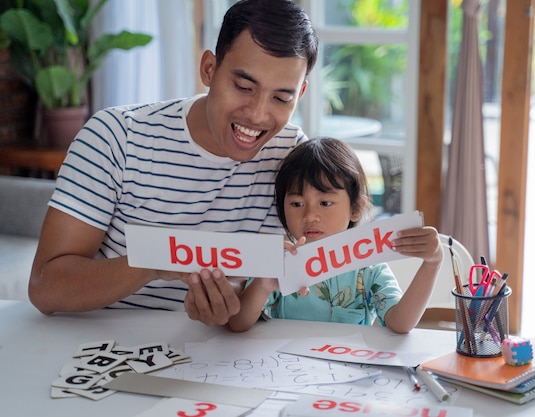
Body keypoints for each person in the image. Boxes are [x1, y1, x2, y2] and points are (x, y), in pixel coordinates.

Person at [28, 0, 319, 327]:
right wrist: (155, 261)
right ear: (209, 69)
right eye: (243, 87)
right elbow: (44, 287)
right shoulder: (117, 136)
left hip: (219, 355)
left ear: (301, 93)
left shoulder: (291, 153)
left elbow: (275, 280)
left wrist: (230, 301)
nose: (257, 114)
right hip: (100, 344)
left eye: (281, 98)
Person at [228, 138, 444, 334]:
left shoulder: (368, 266)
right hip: (285, 370)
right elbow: (238, 324)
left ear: (356, 208)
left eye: (325, 203)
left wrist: (432, 263)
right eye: (297, 204)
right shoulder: (279, 262)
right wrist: (263, 285)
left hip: (348, 372)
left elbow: (401, 323)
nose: (310, 215)